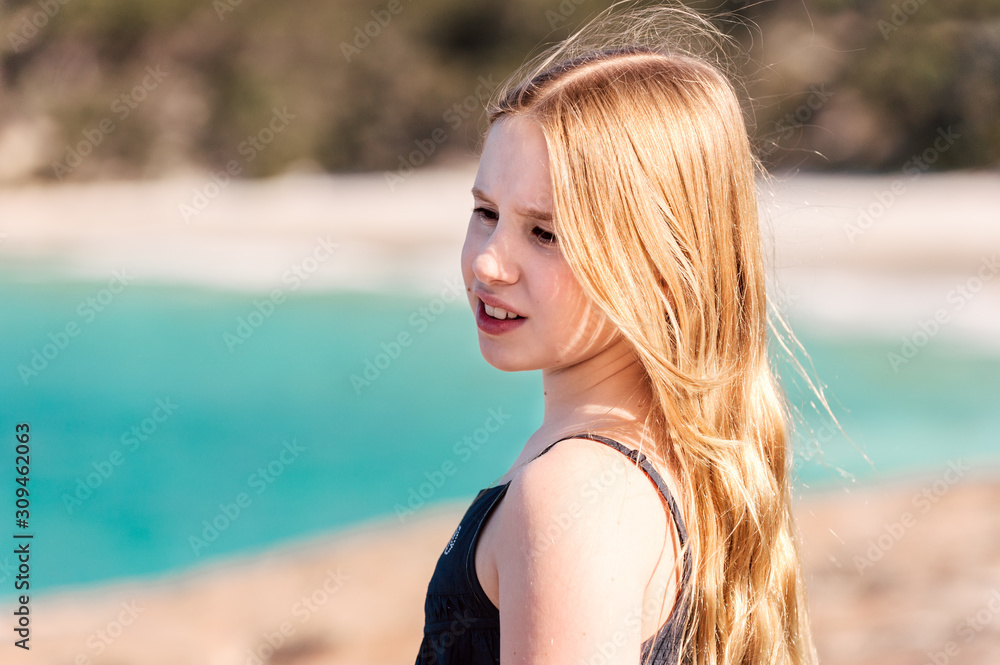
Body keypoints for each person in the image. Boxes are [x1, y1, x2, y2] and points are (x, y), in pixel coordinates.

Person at [414, 2, 818, 664]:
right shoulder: (665, 454)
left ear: (663, 268)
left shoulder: (575, 494)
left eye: (546, 232)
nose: (488, 260)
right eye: (485, 212)